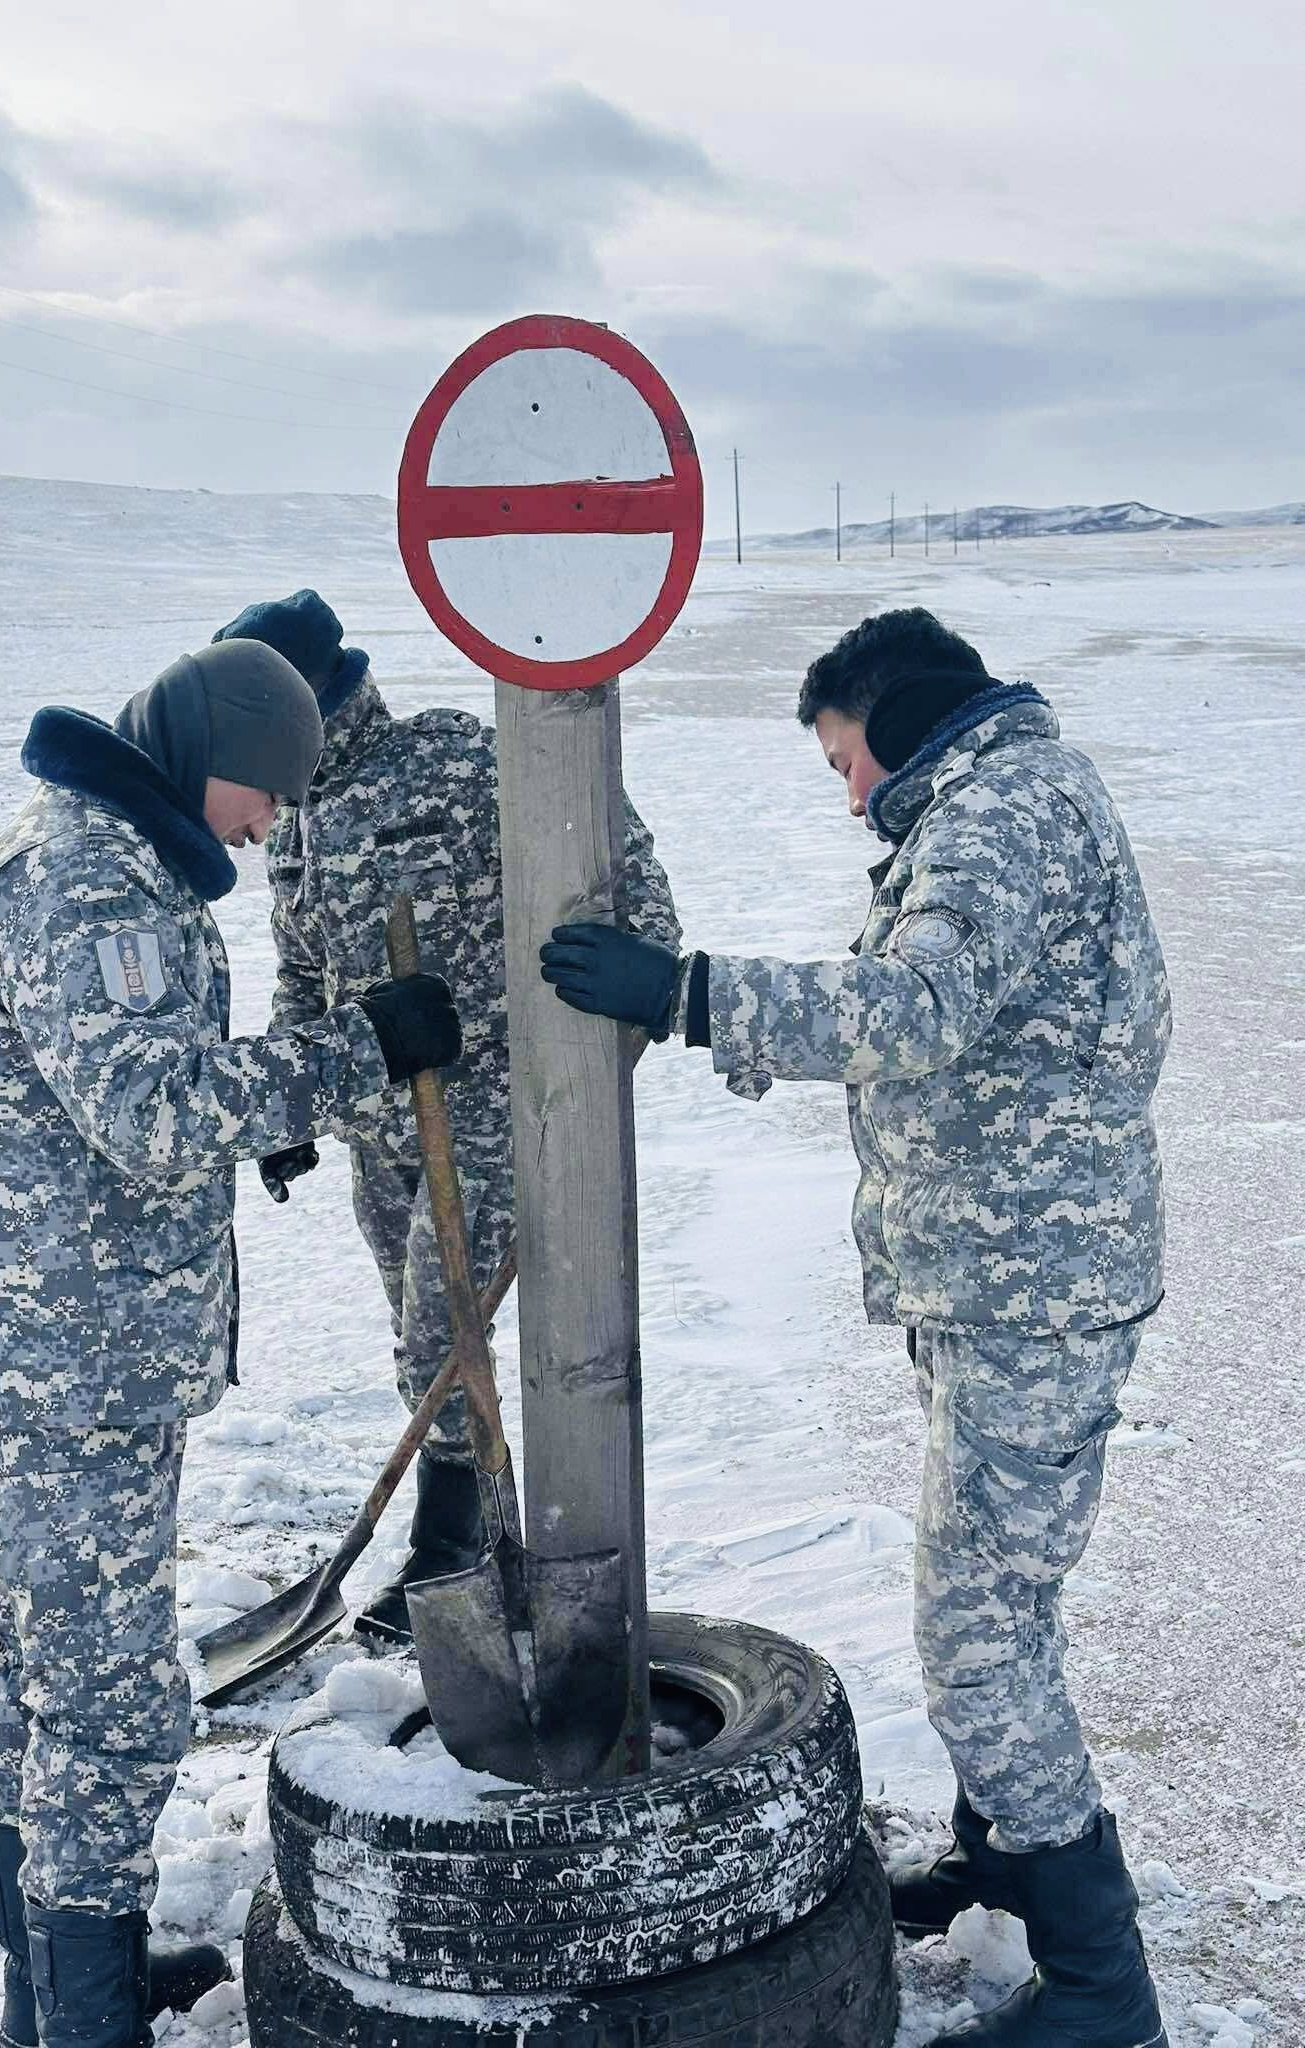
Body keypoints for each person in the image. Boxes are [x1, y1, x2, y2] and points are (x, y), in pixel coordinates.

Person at [539, 608, 1170, 2048]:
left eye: (841, 759)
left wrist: (694, 996)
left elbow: (917, 1008)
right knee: (1000, 1603)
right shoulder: (996, 799)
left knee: (978, 1632)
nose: (845, 793)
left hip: (1034, 1288)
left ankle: (1099, 1990)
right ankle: (1010, 1861)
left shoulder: (1001, 809)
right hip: (1004, 1276)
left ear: (891, 720)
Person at [0, 639, 461, 2048]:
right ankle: (78, 2014)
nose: (270, 823)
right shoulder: (89, 877)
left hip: (64, 1357)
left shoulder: (111, 851)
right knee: (107, 1711)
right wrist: (353, 1051)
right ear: (199, 748)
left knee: (39, 1673)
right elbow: (158, 1115)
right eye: (262, 793)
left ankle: (47, 1993)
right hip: (65, 1372)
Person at [211, 591, 681, 1638]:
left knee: (440, 1331)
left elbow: (623, 881)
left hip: (496, 1106)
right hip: (383, 1129)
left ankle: (444, 1552)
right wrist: (291, 1102)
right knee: (422, 1343)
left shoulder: (460, 759)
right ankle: (481, 1542)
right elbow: (305, 972)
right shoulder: (294, 819)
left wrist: (607, 1032)